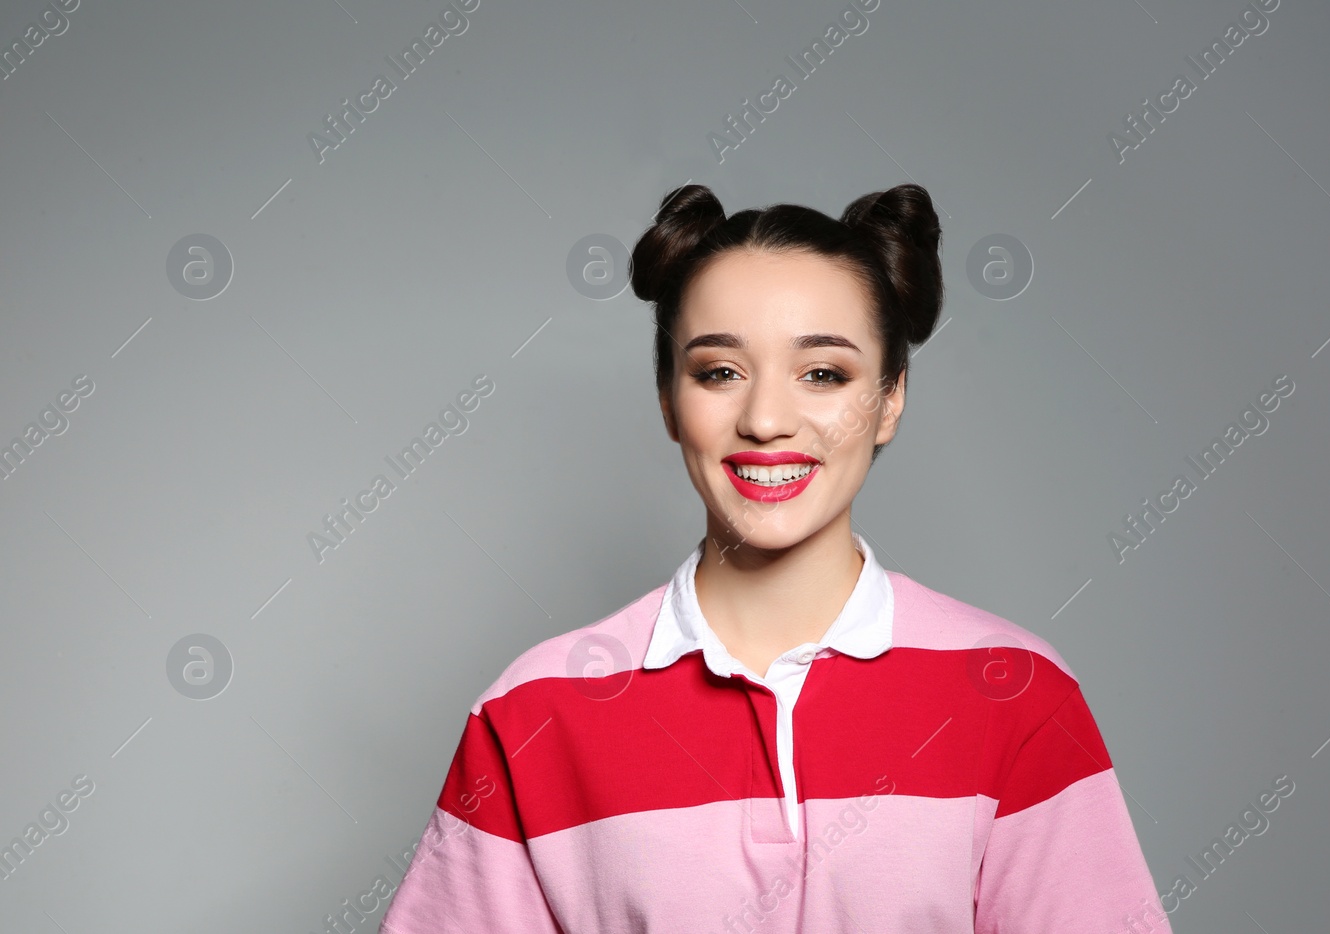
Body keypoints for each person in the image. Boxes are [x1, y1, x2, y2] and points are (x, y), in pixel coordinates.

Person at [378, 183, 1170, 933]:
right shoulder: (531, 716)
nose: (765, 419)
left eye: (823, 373)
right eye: (719, 372)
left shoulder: (1015, 694)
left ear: (890, 398)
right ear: (667, 400)